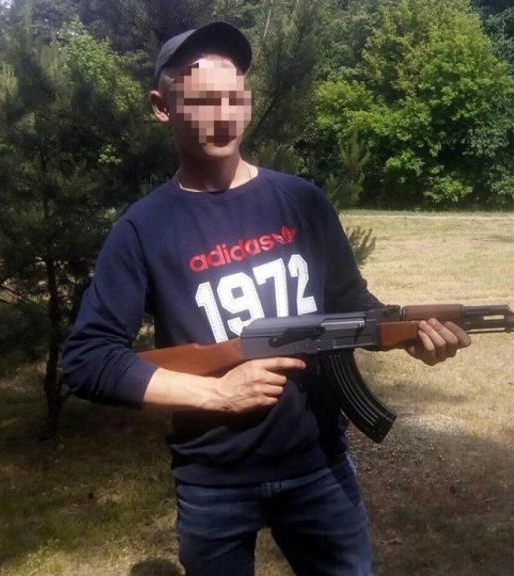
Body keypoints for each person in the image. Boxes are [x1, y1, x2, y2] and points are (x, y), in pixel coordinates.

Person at [61, 22, 471, 575]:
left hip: (320, 466)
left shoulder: (302, 201)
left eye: (236, 98)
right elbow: (88, 361)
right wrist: (218, 396)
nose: (226, 116)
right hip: (214, 481)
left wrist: (410, 337)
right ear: (162, 107)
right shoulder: (143, 229)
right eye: (204, 101)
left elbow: (355, 309)